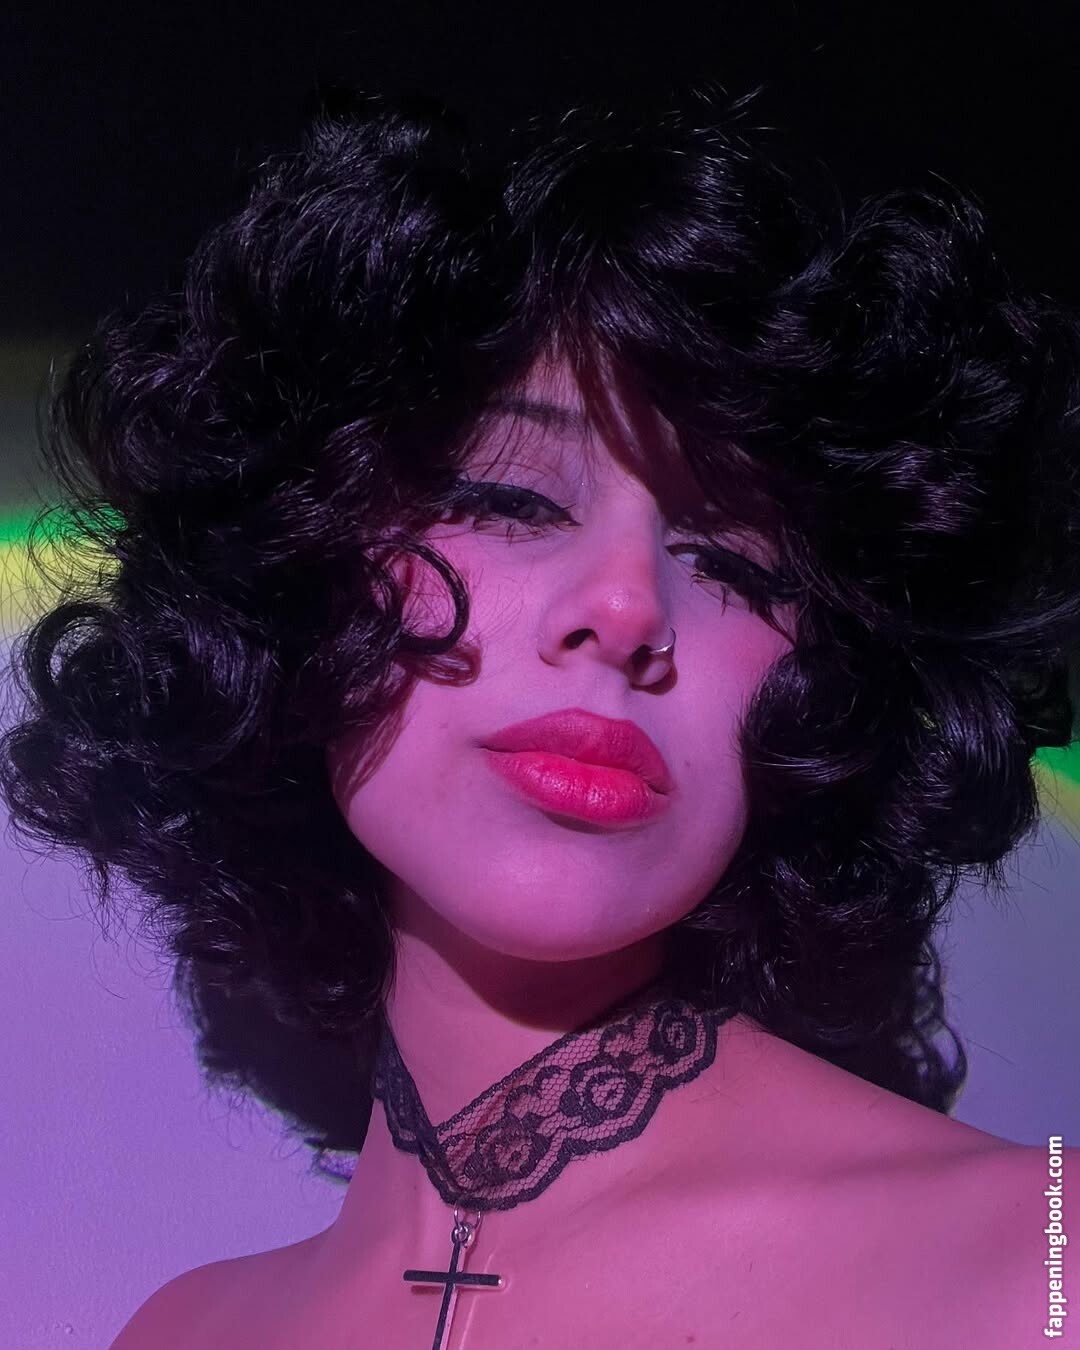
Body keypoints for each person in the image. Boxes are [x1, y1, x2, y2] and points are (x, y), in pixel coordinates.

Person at [3, 82, 1078, 1349]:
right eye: (511, 501)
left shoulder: (1041, 1265)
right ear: (297, 561)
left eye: (735, 565)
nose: (626, 607)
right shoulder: (182, 1333)